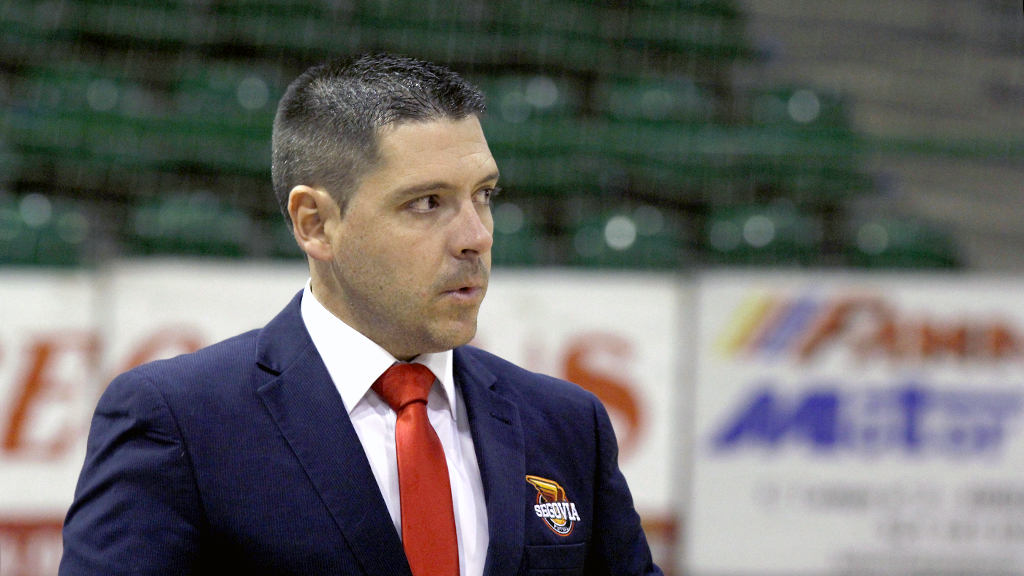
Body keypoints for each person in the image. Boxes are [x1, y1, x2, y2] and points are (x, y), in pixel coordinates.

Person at [59, 54, 661, 576]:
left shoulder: (565, 424)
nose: (476, 236)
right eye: (427, 203)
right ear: (315, 224)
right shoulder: (180, 422)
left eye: (484, 195)